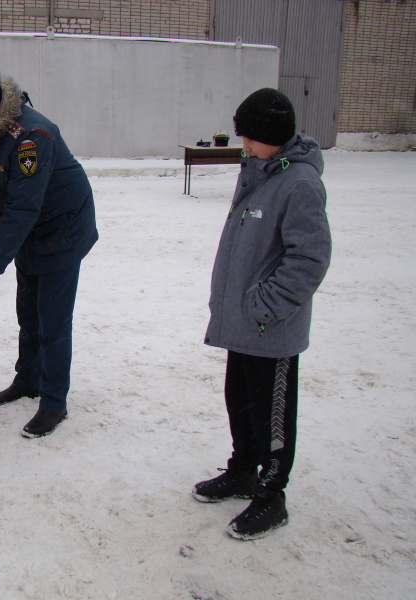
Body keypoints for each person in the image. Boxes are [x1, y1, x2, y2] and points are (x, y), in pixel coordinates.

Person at [193, 88, 332, 540]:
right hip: (244, 324)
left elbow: (309, 258)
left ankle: (272, 496)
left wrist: (264, 306)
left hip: (270, 328)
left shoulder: (300, 184)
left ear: (275, 137)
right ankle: (242, 472)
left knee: (272, 416)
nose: (244, 146)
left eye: (251, 139)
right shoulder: (262, 170)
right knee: (240, 401)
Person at [0, 62, 98, 438]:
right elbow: (0, 196)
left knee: (53, 322)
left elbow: (24, 207)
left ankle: (55, 401)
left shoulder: (31, 136)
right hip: (28, 231)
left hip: (61, 231)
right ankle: (29, 379)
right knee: (28, 313)